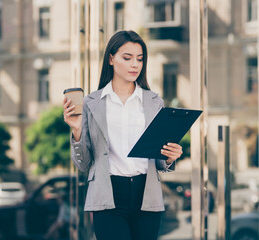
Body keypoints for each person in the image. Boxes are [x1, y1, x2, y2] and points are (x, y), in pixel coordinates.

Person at [63, 30, 182, 240]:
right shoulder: (92, 102)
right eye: (127, 58)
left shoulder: (155, 102)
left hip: (147, 194)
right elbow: (84, 164)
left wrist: (170, 156)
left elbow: (161, 160)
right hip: (108, 194)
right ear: (111, 58)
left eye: (140, 59)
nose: (135, 64)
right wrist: (77, 129)